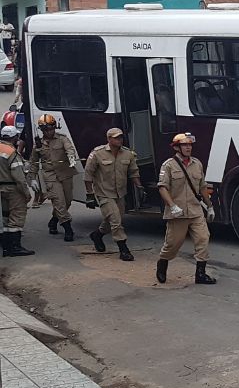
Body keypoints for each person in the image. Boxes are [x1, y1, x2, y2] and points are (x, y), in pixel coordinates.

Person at [156, 133, 216, 285]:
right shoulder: (168, 165)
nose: (188, 147)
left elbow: (202, 187)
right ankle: (162, 263)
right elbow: (162, 188)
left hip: (195, 211)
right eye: (184, 145)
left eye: (190, 145)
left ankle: (200, 274)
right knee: (173, 244)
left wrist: (210, 207)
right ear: (177, 147)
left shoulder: (197, 164)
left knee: (203, 239)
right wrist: (172, 206)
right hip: (178, 213)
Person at [84, 127, 143, 262]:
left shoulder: (128, 154)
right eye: (116, 138)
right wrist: (90, 194)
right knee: (116, 221)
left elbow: (134, 172)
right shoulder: (98, 153)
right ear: (109, 139)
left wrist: (139, 187)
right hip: (104, 193)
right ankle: (123, 249)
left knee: (114, 220)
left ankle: (97, 235)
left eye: (121, 137)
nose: (119, 140)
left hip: (120, 193)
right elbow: (88, 175)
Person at [33, 114, 79, 242]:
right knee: (59, 202)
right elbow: (34, 162)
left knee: (67, 201)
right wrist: (32, 178)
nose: (49, 132)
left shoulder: (62, 138)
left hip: (65, 173)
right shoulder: (38, 144)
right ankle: (68, 228)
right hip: (50, 176)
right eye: (46, 130)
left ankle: (54, 220)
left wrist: (71, 157)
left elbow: (69, 148)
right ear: (42, 130)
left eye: (51, 129)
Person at [0, 125, 33, 257]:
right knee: (17, 216)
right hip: (13, 189)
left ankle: (5, 246)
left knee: (5, 216)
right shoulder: (11, 152)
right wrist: (26, 193)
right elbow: (19, 177)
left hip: (1, 189)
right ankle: (14, 247)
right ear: (14, 138)